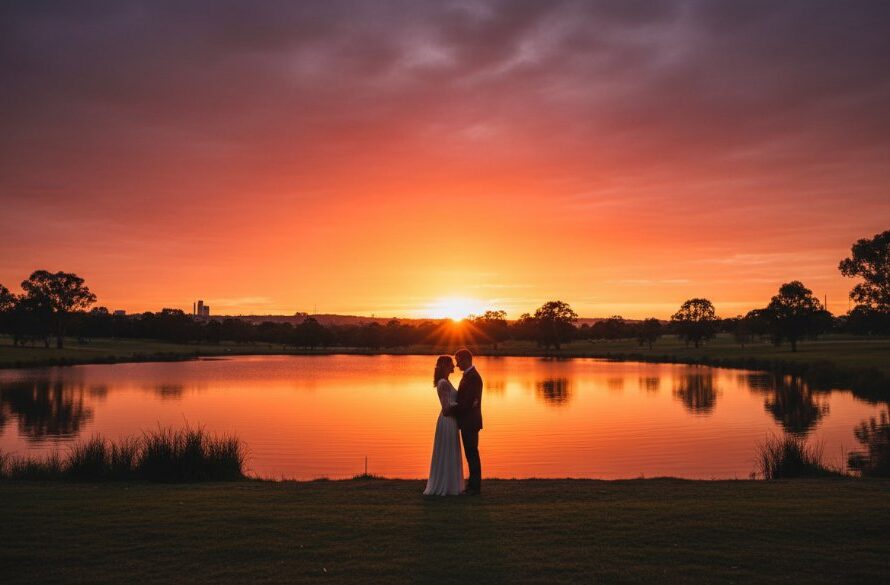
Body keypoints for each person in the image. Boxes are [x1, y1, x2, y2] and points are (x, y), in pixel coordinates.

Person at [423, 355, 464, 496]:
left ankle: (451, 485)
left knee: (449, 452)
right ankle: (446, 486)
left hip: (451, 421)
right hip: (447, 421)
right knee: (447, 451)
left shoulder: (446, 382)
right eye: (451, 364)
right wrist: (463, 406)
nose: (454, 366)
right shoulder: (443, 383)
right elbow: (446, 409)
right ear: (445, 366)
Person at [444, 348, 483, 495]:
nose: (456, 364)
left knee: (472, 453)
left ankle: (474, 487)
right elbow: (465, 401)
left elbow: (467, 403)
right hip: (467, 421)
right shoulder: (468, 375)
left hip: (470, 421)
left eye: (458, 360)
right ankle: (472, 485)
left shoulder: (473, 377)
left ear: (466, 359)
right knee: (470, 454)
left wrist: (450, 409)